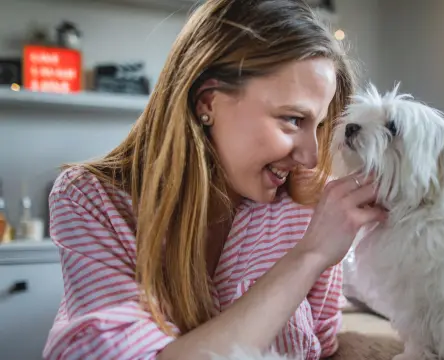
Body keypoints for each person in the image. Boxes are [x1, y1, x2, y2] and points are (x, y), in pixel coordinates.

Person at [42, 1, 386, 359]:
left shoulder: (305, 203)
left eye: (317, 126)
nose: (310, 156)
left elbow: (323, 347)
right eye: (293, 120)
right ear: (209, 102)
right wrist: (309, 255)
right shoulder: (93, 200)